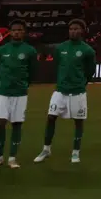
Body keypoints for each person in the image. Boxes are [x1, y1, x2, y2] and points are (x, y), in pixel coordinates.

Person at [34, 18, 95, 164]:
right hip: (60, 91)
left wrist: (81, 83)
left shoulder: (87, 50)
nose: (73, 31)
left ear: (82, 31)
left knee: (78, 122)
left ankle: (75, 152)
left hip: (78, 92)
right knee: (50, 117)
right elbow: (57, 65)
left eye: (76, 29)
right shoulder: (60, 48)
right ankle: (46, 149)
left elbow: (90, 71)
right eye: (71, 29)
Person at [0, 20, 35, 169]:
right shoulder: (1, 50)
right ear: (10, 32)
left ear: (24, 32)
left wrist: (24, 84)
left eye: (19, 30)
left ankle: (12, 158)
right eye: (14, 30)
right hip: (2, 92)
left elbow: (33, 71)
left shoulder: (30, 51)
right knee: (0, 122)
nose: (16, 32)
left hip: (20, 93)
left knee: (17, 124)